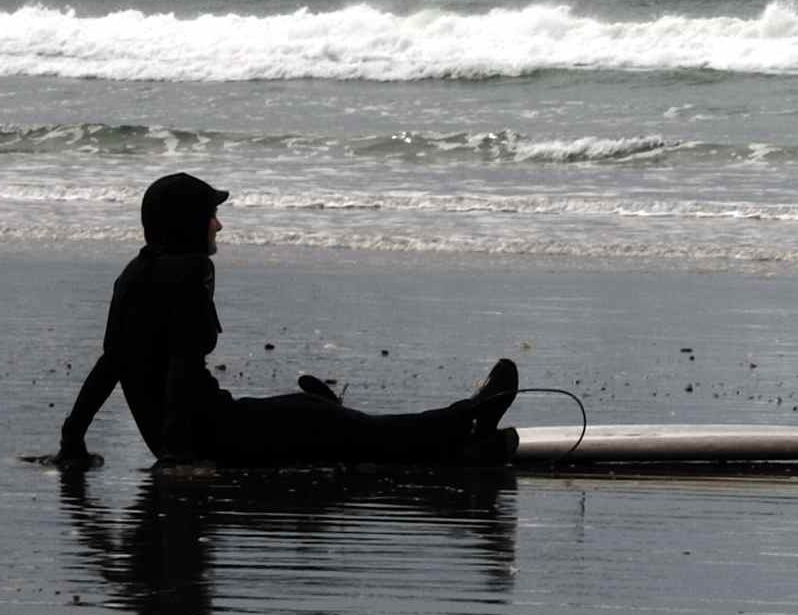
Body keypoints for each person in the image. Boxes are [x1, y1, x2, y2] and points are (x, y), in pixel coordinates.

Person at [57, 173, 519, 467]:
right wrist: (179, 457)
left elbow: (111, 364)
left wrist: (72, 439)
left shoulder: (133, 275)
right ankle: (470, 417)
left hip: (195, 432)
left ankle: (452, 434)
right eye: (211, 215)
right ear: (186, 224)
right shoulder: (192, 270)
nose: (219, 225)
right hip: (209, 438)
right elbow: (181, 358)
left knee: (324, 418)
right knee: (351, 429)